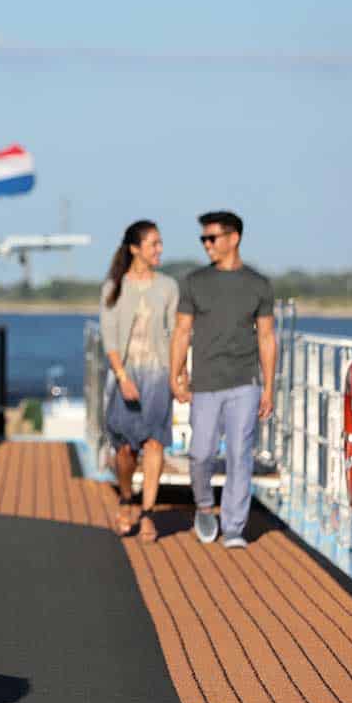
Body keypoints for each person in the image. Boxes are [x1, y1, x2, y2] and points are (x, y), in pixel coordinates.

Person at [169, 211, 277, 549]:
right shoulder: (194, 282)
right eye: (203, 239)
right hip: (205, 383)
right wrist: (176, 374)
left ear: (234, 238)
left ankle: (233, 527)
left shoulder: (258, 285)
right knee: (200, 453)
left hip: (245, 382)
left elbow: (267, 338)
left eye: (211, 238)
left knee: (239, 454)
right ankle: (203, 506)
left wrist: (269, 387)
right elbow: (182, 331)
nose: (206, 245)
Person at [99, 221, 178, 543]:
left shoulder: (169, 287)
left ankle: (147, 513)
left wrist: (179, 374)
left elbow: (175, 335)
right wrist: (122, 377)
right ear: (135, 248)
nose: (159, 250)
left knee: (155, 442)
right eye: (153, 244)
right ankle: (126, 497)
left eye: (160, 244)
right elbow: (110, 339)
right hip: (126, 374)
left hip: (158, 374)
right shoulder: (113, 287)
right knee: (126, 449)